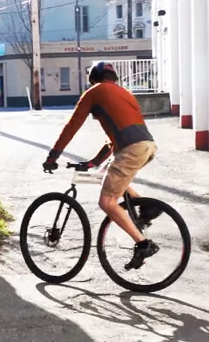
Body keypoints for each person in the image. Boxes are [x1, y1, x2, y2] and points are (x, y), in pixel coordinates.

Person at [42, 61, 162, 270]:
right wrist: (93, 162)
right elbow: (116, 137)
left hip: (131, 149)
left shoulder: (94, 92)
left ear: (93, 78)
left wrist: (53, 156)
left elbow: (72, 126)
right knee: (104, 172)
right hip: (147, 146)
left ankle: (143, 244)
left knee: (107, 202)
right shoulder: (124, 93)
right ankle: (144, 205)